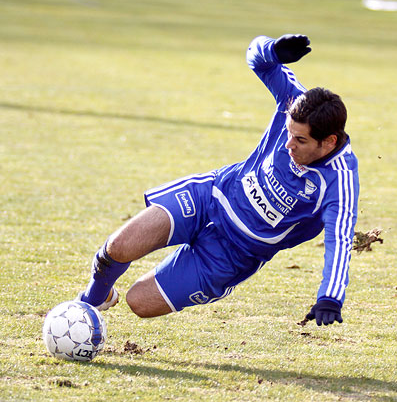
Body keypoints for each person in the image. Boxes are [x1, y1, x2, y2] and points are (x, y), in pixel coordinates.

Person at [76, 34, 359, 328]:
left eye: (300, 140)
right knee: (117, 248)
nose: (288, 145)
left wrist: (330, 297)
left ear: (328, 142)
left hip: (233, 254)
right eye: (288, 132)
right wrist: (272, 50)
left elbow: (339, 239)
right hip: (209, 197)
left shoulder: (339, 182)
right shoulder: (293, 100)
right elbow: (256, 57)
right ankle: (90, 302)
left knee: (139, 301)